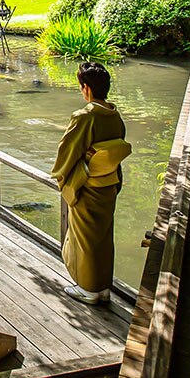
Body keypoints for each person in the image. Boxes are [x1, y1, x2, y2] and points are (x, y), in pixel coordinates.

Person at [51, 62, 131, 305]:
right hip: (109, 183)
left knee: (85, 238)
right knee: (103, 237)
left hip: (88, 184)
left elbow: (68, 151)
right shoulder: (114, 114)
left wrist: (61, 177)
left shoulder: (85, 116)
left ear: (86, 88)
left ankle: (89, 289)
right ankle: (103, 287)